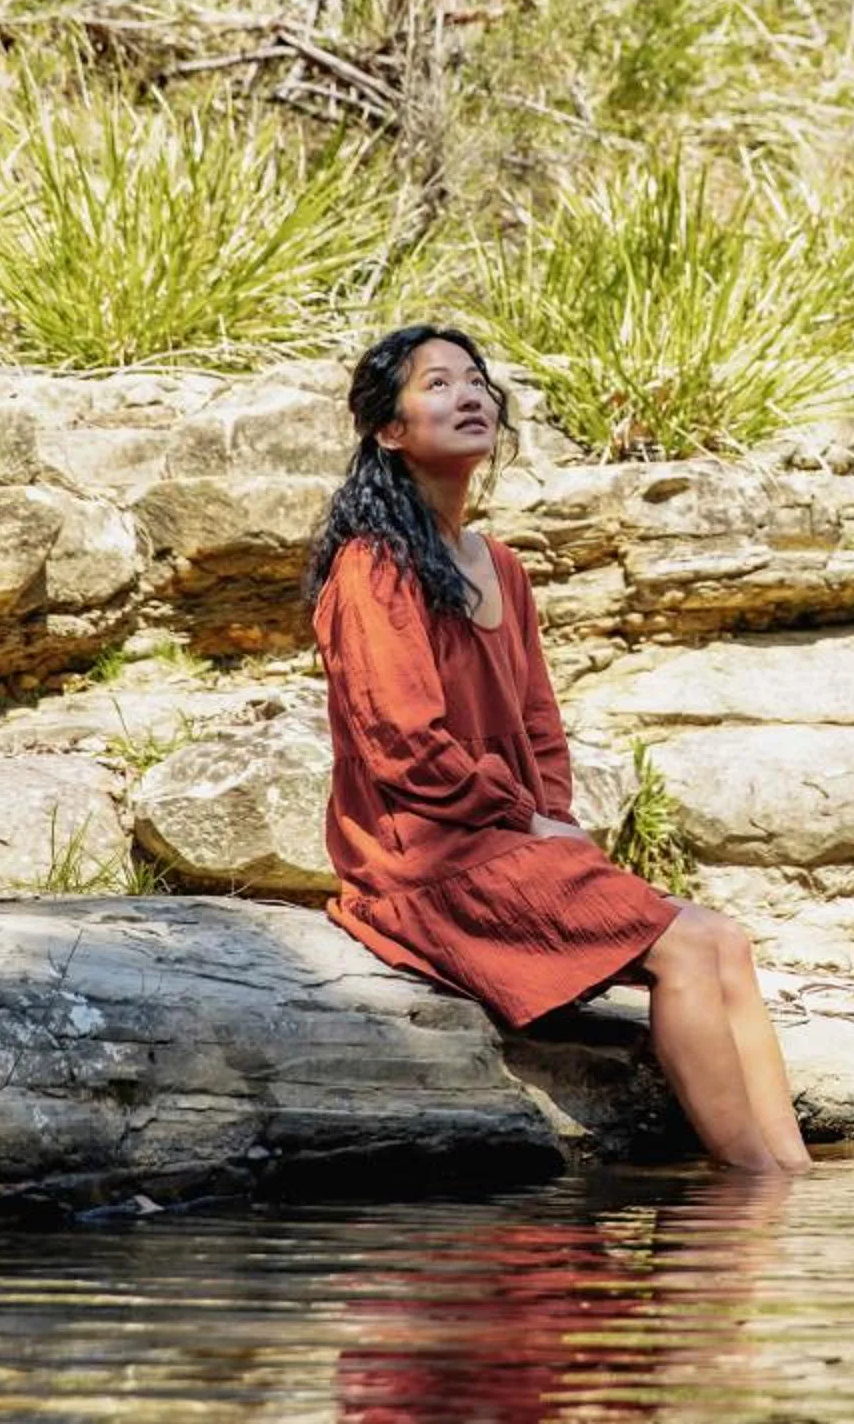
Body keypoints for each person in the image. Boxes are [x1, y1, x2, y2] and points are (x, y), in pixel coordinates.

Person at [306, 324, 812, 1175]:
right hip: (420, 858)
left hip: (502, 838)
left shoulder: (499, 565)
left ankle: (791, 1175)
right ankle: (753, 1191)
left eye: (476, 382)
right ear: (389, 431)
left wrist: (552, 820)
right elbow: (402, 745)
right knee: (686, 945)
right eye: (437, 385)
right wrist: (523, 823)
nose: (469, 396)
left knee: (724, 938)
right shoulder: (373, 567)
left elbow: (540, 725)